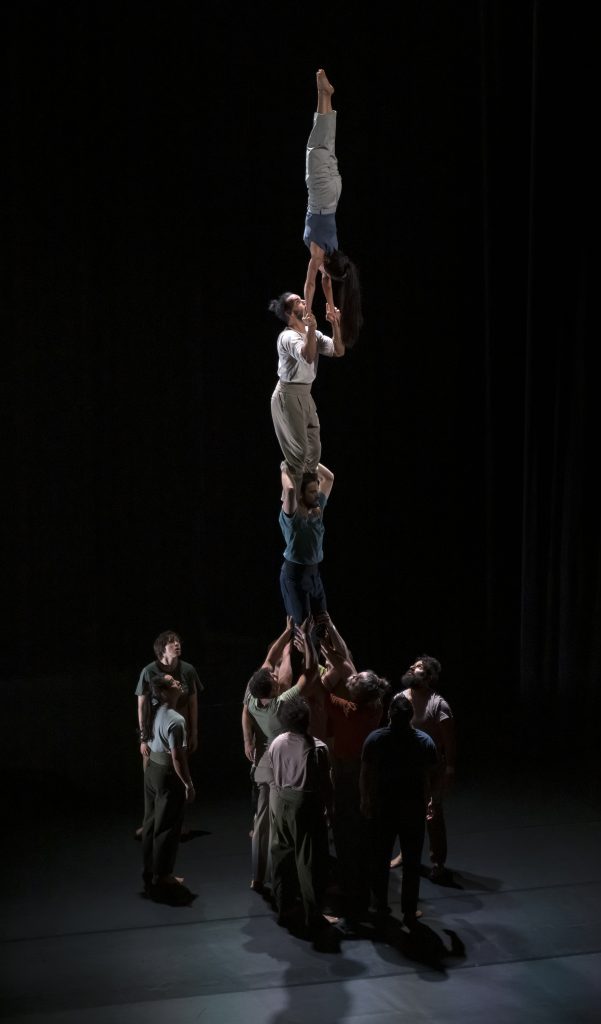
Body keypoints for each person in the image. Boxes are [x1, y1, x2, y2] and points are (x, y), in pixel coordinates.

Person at [241, 623, 313, 895]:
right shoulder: (279, 704)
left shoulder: (251, 696)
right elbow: (307, 676)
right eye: (273, 679)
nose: (274, 675)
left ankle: (257, 877)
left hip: (262, 765)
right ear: (272, 690)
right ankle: (279, 878)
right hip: (278, 767)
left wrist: (287, 632)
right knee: (275, 825)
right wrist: (305, 645)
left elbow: (270, 659)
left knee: (260, 822)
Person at [360, 694, 439, 928]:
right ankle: (409, 911)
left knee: (380, 858)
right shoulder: (424, 741)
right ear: (411, 716)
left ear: (389, 715)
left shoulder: (375, 739)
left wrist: (365, 799)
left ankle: (379, 906)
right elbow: (431, 776)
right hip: (412, 808)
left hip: (383, 806)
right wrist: (431, 800)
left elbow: (365, 773)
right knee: (412, 862)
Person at [267, 693, 338, 937]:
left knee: (281, 853)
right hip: (304, 802)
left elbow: (273, 772)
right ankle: (313, 914)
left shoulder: (277, 742)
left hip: (280, 799)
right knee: (308, 860)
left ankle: (284, 907)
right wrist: (330, 809)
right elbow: (326, 784)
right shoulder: (317, 748)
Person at [324, 669, 391, 930]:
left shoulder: (347, 710)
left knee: (343, 829)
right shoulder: (376, 708)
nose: (349, 681)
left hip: (346, 773)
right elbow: (353, 676)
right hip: (368, 772)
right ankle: (366, 887)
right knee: (364, 830)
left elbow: (319, 689)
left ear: (357, 695)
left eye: (353, 683)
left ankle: (348, 885)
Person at [303, 68, 363, 348]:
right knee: (316, 147)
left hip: (334, 193)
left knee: (325, 143)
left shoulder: (334, 254)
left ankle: (324, 93)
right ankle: (322, 93)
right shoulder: (318, 255)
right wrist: (308, 311)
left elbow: (326, 283)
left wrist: (330, 306)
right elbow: (311, 284)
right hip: (320, 193)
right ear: (327, 265)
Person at [268, 291, 343, 495]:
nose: (303, 300)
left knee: (314, 453)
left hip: (305, 394)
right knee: (299, 453)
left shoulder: (312, 332)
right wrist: (313, 329)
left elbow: (338, 350)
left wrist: (335, 324)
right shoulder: (287, 337)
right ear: (289, 313)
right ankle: (291, 495)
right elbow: (308, 356)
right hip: (288, 395)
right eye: (297, 302)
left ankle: (306, 496)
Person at [392, 655, 456, 881]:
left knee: (433, 816)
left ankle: (437, 862)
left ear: (429, 677)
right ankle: (405, 853)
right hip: (405, 768)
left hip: (431, 769)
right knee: (405, 814)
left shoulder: (438, 705)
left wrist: (449, 770)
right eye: (414, 664)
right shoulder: (400, 699)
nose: (412, 667)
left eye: (418, 667)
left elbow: (449, 741)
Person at [135, 630, 204, 838]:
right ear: (161, 649)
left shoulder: (188, 670)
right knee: (152, 780)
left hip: (177, 729)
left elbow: (193, 703)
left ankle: (177, 824)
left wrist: (194, 732)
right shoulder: (149, 671)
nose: (177, 644)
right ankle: (150, 824)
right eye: (171, 642)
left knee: (178, 776)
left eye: (177, 641)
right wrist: (143, 737)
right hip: (155, 732)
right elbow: (142, 706)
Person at [140, 676, 195, 891]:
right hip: (166, 774)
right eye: (173, 682)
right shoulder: (175, 719)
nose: (178, 683)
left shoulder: (156, 711)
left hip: (152, 770)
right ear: (164, 692)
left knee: (151, 822)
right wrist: (188, 784)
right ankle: (162, 875)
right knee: (167, 826)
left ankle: (150, 869)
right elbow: (177, 757)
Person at [279, 461, 334, 625]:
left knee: (323, 625)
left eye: (317, 490)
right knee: (303, 628)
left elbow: (329, 478)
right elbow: (290, 490)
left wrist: (308, 461)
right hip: (295, 575)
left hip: (314, 574)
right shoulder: (292, 516)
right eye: (312, 491)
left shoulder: (317, 509)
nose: (317, 494)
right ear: (301, 495)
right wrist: (284, 469)